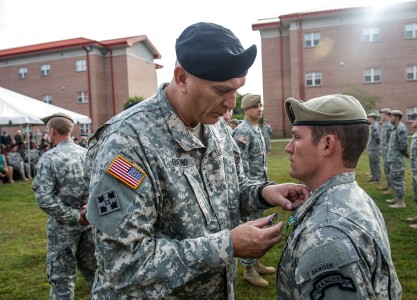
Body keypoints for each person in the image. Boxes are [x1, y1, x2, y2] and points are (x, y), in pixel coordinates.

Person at [85, 22, 309, 299]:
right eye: (221, 90)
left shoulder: (214, 127)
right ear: (181, 79)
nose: (231, 103)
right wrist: (227, 246)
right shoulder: (126, 143)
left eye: (237, 89)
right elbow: (123, 263)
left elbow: (229, 189)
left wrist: (265, 192)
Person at [278, 94, 402, 299]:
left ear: (327, 145)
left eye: (297, 137)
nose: (288, 147)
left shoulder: (327, 233)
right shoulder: (354, 195)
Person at [32, 112, 96, 299]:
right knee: (96, 276)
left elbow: (44, 198)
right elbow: (100, 188)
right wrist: (87, 212)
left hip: (63, 229)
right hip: (90, 222)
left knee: (62, 281)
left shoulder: (49, 158)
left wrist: (74, 216)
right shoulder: (87, 154)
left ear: (52, 132)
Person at [232, 94, 275, 287]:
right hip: (250, 190)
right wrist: (250, 190)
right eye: (255, 106)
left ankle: (255, 263)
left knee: (260, 224)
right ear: (246, 110)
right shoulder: (242, 131)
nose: (260, 108)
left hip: (259, 187)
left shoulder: (256, 128)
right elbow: (240, 165)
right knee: (252, 226)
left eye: (260, 105)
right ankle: (248, 270)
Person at [385, 110, 409, 208]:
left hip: (397, 159)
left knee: (398, 179)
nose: (390, 118)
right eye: (390, 116)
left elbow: (403, 145)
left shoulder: (401, 128)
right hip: (392, 158)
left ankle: (401, 201)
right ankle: (397, 197)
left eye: (392, 117)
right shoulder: (394, 128)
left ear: (398, 117)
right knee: (394, 177)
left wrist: (402, 155)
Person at [378, 108, 392, 192]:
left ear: (387, 115)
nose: (381, 116)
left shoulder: (390, 125)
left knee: (389, 169)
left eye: (382, 114)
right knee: (386, 169)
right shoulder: (384, 124)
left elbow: (391, 139)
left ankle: (391, 187)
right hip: (384, 150)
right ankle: (388, 185)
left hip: (389, 151)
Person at [367, 112, 381, 183]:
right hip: (371, 148)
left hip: (375, 148)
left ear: (372, 118)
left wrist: (377, 146)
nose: (367, 119)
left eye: (369, 118)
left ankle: (377, 178)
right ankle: (374, 176)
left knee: (375, 163)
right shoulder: (372, 126)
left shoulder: (375, 126)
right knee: (372, 162)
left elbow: (378, 137)